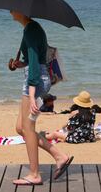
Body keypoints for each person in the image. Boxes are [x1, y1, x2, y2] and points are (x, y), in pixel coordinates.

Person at [9, 11, 72, 185]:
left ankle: (35, 174)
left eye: (13, 8)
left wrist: (31, 95)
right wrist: (20, 63)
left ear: (21, 11)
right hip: (35, 78)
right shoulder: (31, 28)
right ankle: (59, 156)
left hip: (34, 81)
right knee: (21, 127)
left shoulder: (31, 30)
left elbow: (36, 63)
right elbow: (32, 59)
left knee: (28, 128)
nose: (10, 11)